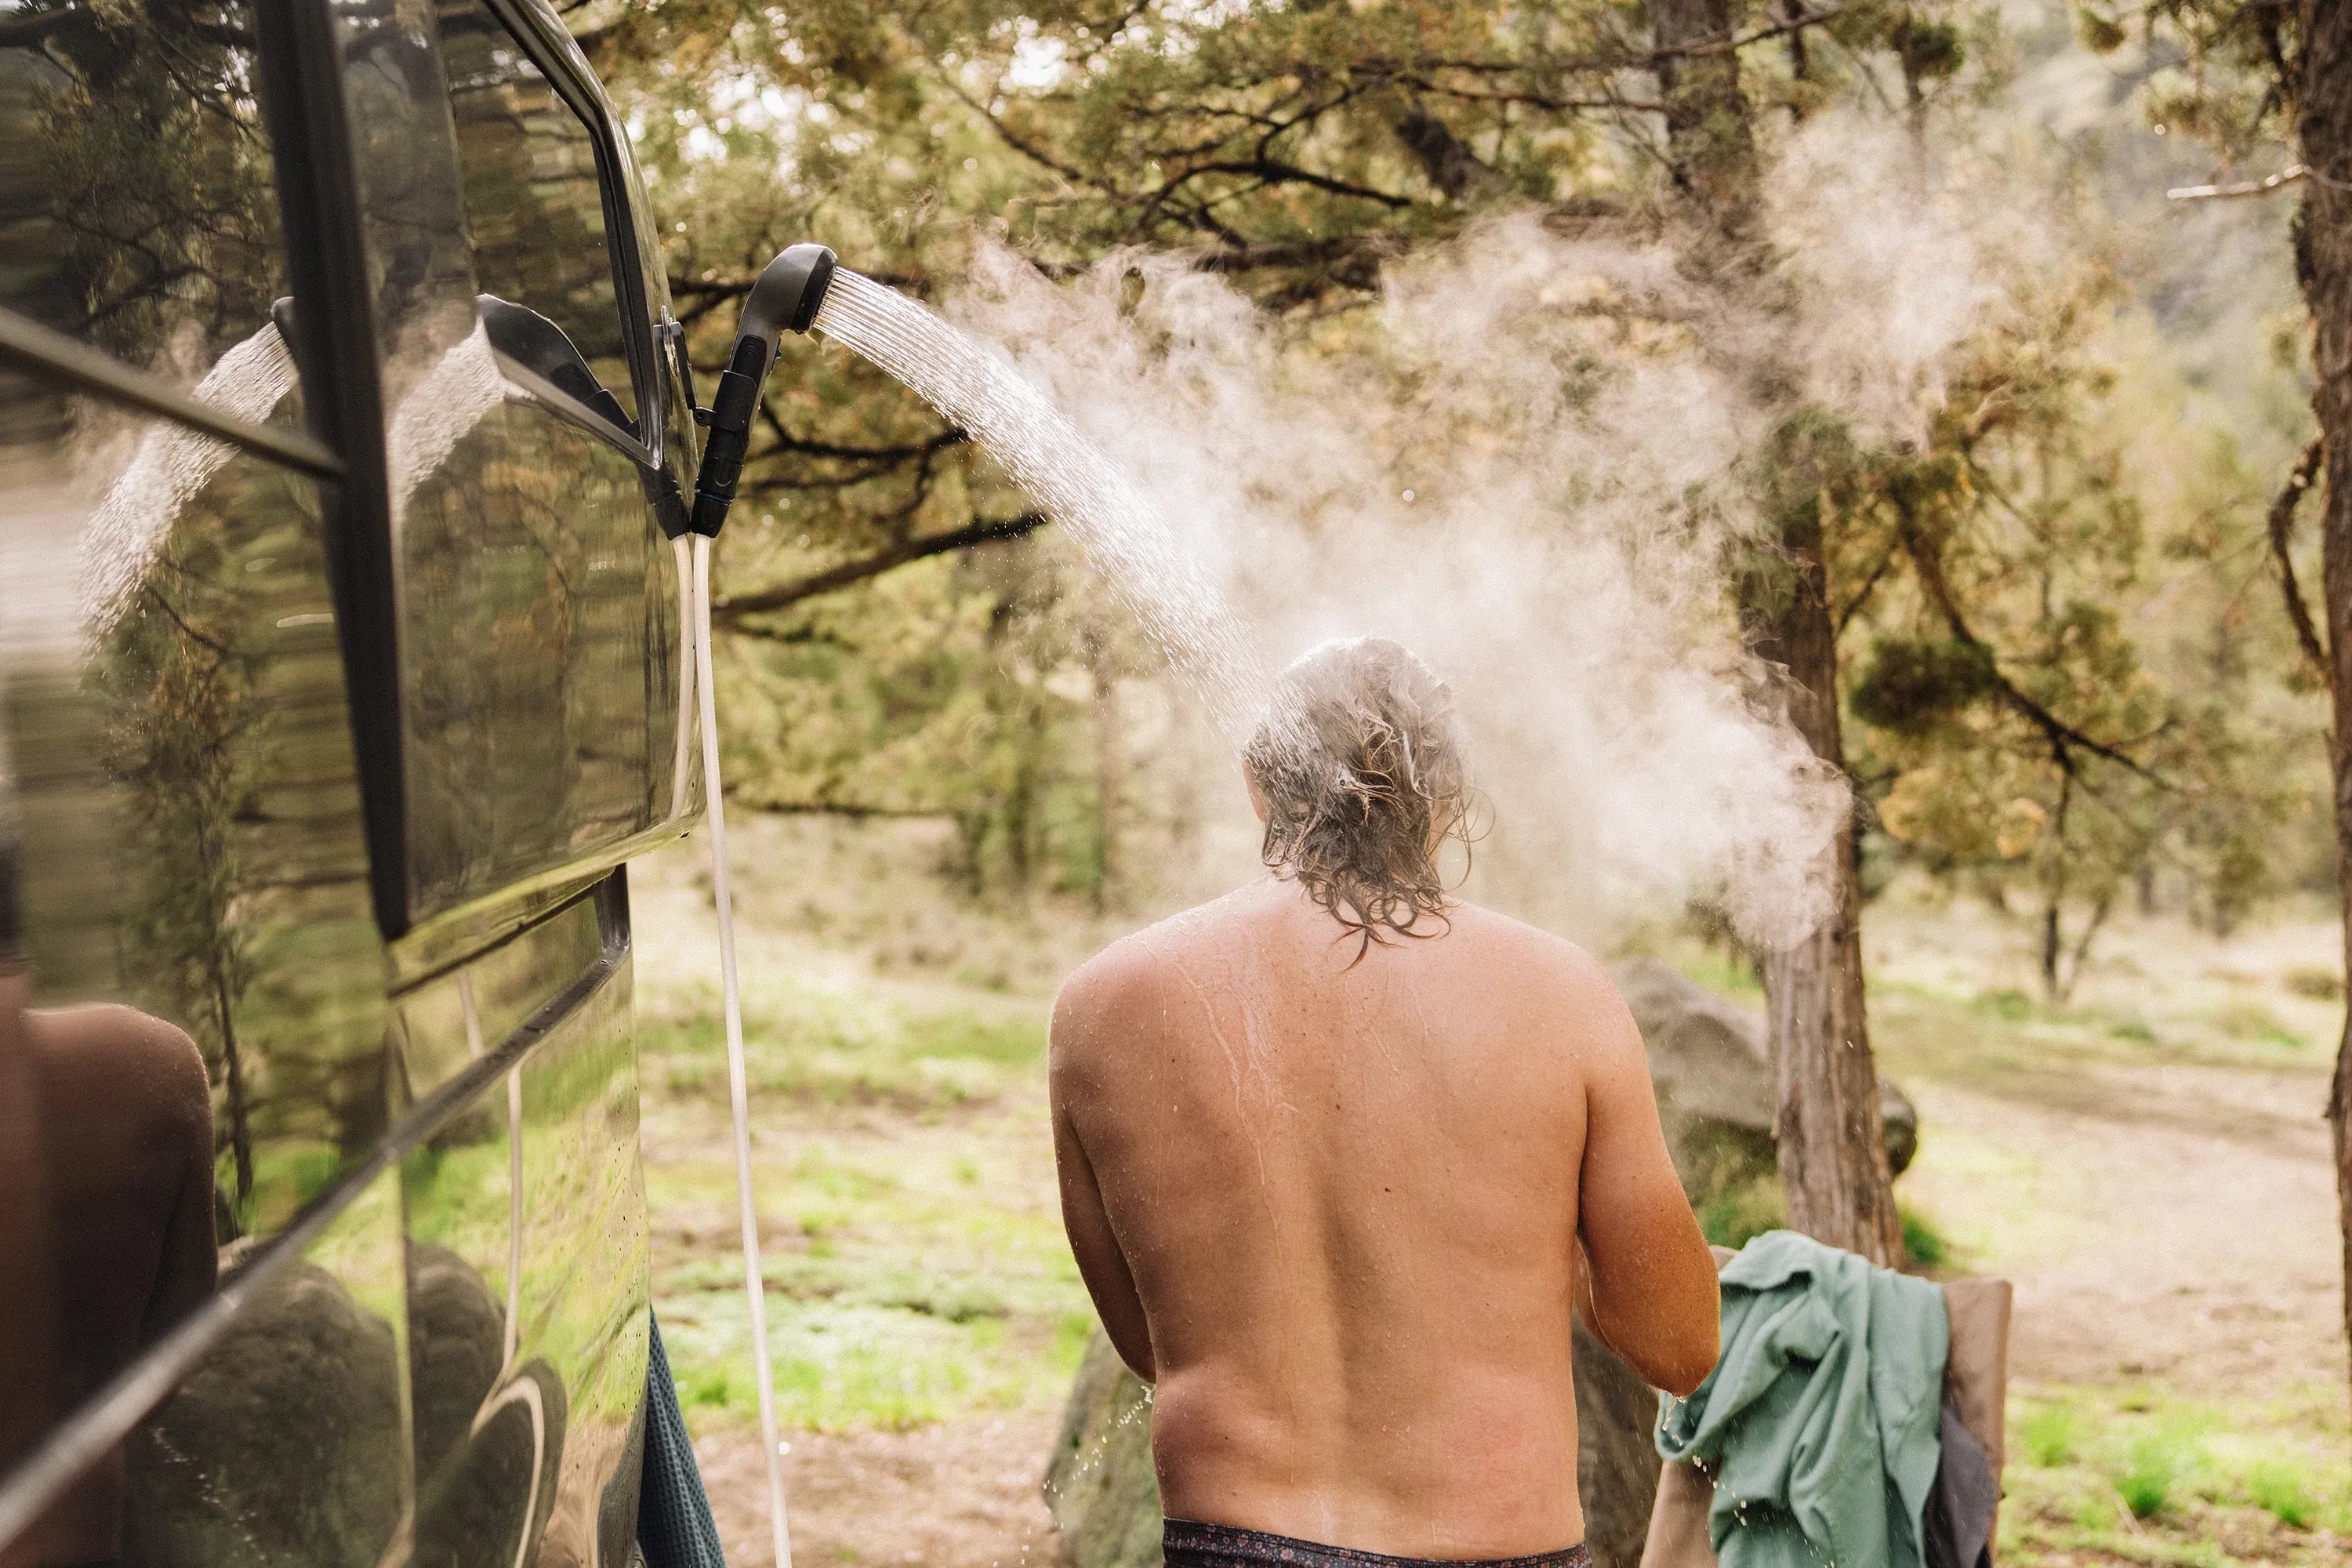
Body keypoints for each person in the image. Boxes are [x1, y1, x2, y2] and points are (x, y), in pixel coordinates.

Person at [1050, 638, 1721, 1568]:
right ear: (1448, 794)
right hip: (1496, 1544)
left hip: (1231, 1535)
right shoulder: (1561, 996)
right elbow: (1681, 1344)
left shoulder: (1103, 1001)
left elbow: (1151, 1342)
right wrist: (1552, 1250)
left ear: (1257, 784)